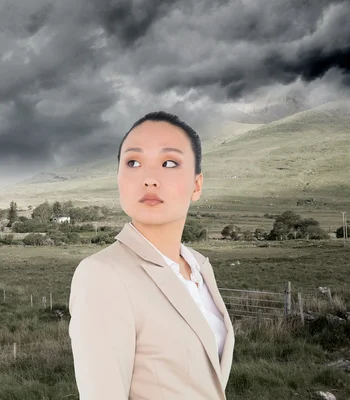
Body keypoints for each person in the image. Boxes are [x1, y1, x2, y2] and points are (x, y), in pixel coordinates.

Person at [68, 111, 235, 400]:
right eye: (133, 162)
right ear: (118, 178)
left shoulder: (199, 266)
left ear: (196, 185)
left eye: (169, 163)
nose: (149, 179)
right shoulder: (102, 275)